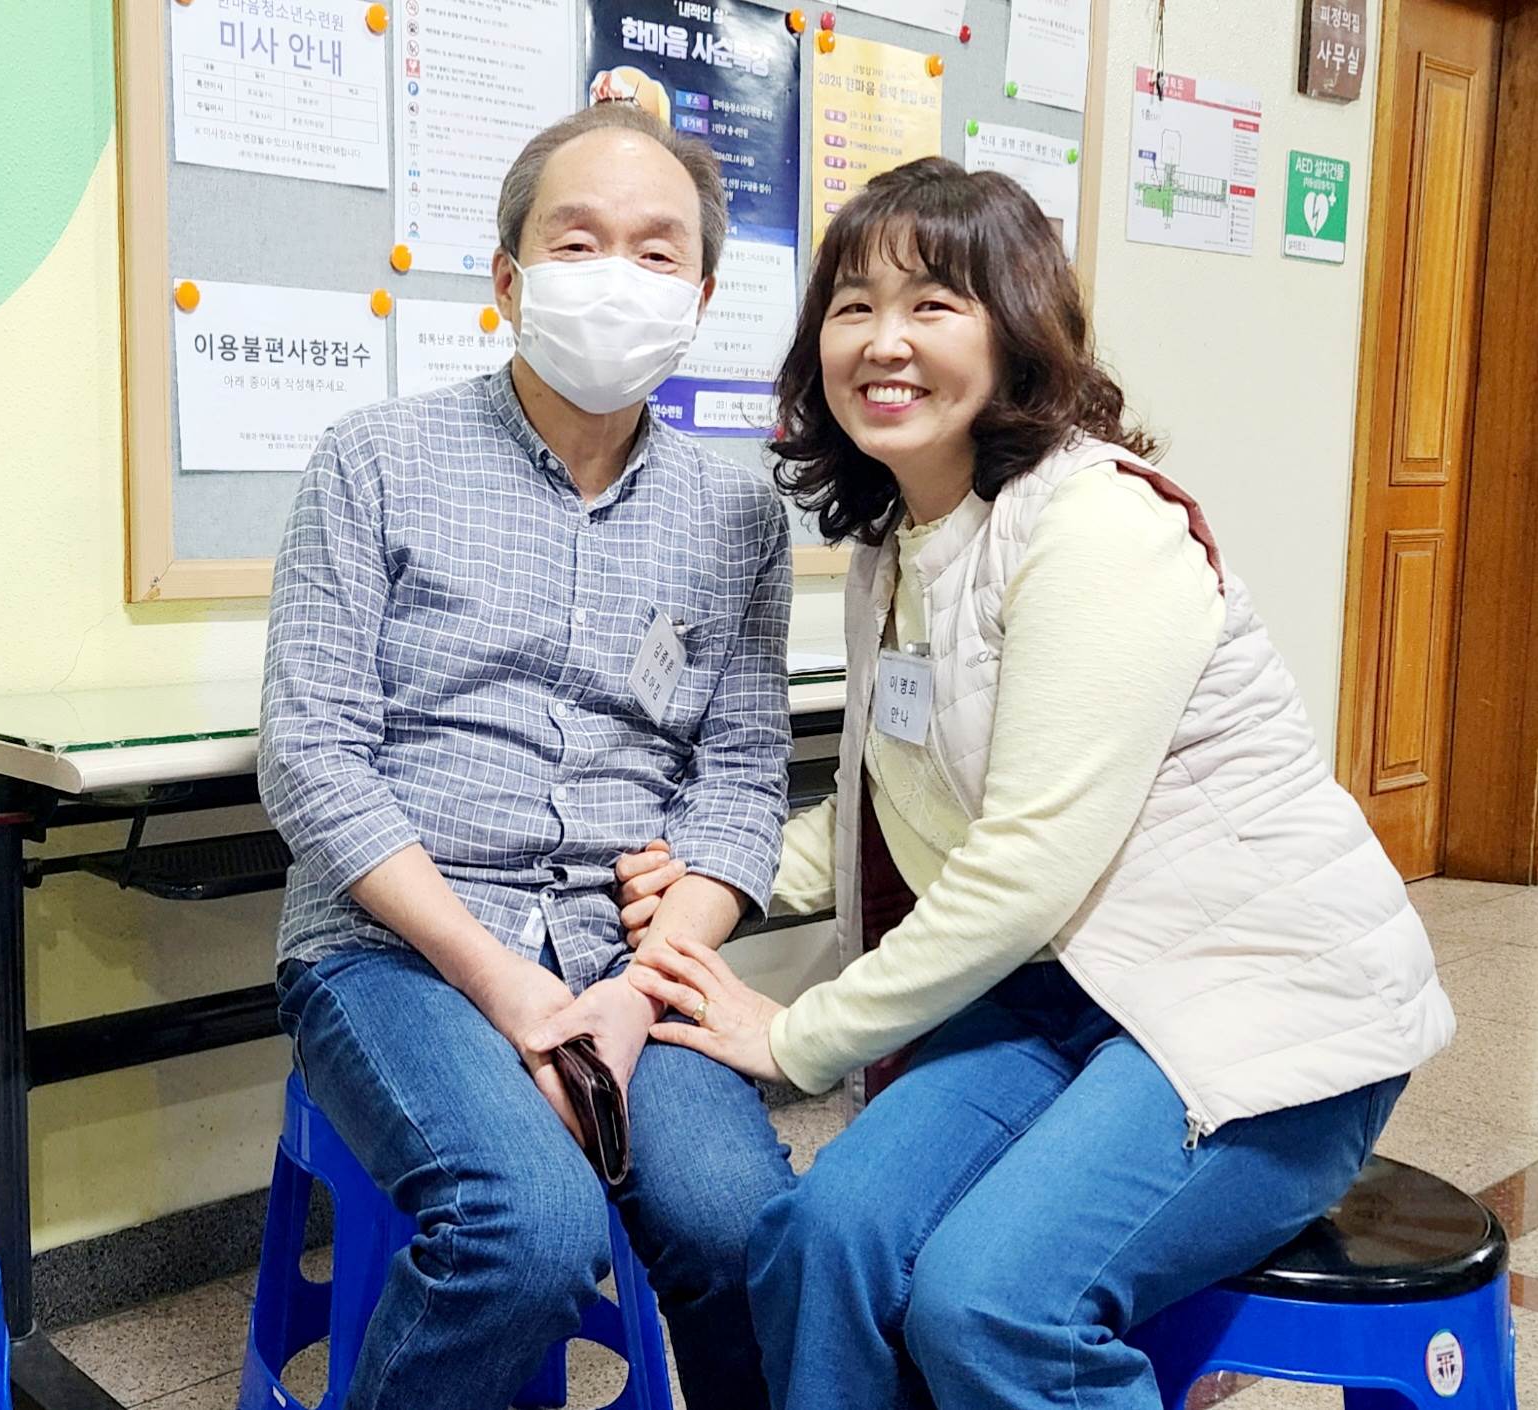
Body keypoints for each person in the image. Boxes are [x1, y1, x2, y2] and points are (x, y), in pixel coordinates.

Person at [616, 157, 1454, 1410]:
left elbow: (1022, 864)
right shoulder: (898, 539)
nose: (883, 342)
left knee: (994, 1308)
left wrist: (793, 1038)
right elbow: (889, 806)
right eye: (852, 306)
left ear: (1014, 331)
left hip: (1252, 1015)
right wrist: (713, 873)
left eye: (932, 304)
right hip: (1062, 997)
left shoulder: (1096, 526)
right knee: (821, 1241)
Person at [258, 103, 797, 1410]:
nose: (618, 275)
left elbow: (740, 777)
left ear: (700, 297)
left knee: (750, 1229)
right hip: (396, 949)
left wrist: (641, 987)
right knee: (527, 1232)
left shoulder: (738, 510)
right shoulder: (375, 461)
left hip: (628, 957)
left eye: (657, 251)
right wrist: (502, 982)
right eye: (578, 240)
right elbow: (311, 753)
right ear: (508, 277)